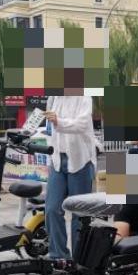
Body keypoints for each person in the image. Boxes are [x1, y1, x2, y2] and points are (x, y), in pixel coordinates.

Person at [43, 96, 98, 259]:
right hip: (57, 161)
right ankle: (58, 256)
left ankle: (79, 259)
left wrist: (58, 121)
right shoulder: (53, 98)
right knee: (52, 209)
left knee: (79, 214)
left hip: (81, 160)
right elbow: (49, 129)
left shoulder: (84, 97)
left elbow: (81, 124)